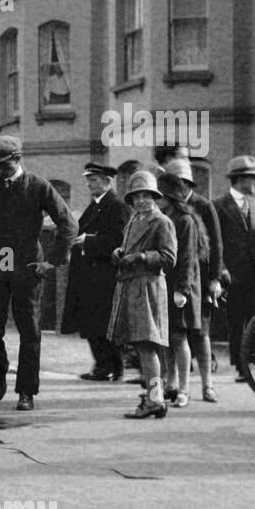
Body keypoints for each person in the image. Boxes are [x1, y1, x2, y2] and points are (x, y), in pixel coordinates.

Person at [0, 135, 77, 411]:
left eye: (5, 166)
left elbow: (68, 224)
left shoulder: (38, 187)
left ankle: (26, 391)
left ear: (18, 159)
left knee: (30, 331)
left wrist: (53, 261)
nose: (1, 171)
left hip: (27, 267)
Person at [108, 171, 177, 420]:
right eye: (137, 196)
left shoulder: (161, 222)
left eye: (146, 196)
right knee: (141, 345)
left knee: (147, 345)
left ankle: (154, 399)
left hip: (147, 287)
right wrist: (120, 251)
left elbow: (169, 258)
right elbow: (129, 246)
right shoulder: (134, 219)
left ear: (155, 197)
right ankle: (154, 396)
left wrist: (141, 257)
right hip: (131, 285)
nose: (141, 201)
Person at [61, 162, 128, 381]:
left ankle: (110, 367)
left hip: (104, 276)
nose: (90, 185)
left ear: (108, 181)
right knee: (93, 324)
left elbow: (119, 239)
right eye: (89, 180)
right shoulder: (98, 204)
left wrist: (89, 241)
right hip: (91, 276)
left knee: (103, 325)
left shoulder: (116, 205)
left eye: (94, 180)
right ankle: (102, 366)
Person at [165, 158, 224, 402]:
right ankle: (173, 383)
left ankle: (207, 385)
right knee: (174, 332)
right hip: (178, 274)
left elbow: (217, 244)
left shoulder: (203, 205)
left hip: (200, 275)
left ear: (188, 184)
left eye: (181, 183)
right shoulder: (167, 209)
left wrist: (215, 278)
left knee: (201, 332)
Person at [214, 155, 255, 384]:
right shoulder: (219, 206)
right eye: (253, 178)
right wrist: (221, 268)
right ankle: (242, 368)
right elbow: (213, 241)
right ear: (239, 179)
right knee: (237, 323)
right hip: (233, 276)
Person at [156, 171, 202, 407]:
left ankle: (184, 388)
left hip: (179, 286)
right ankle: (171, 384)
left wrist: (181, 290)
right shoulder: (164, 216)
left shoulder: (185, 221)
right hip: (164, 284)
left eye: (160, 195)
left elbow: (187, 258)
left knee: (178, 336)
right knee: (166, 338)